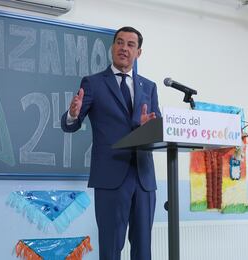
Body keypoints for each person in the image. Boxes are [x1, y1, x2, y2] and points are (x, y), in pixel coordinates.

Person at [61, 26, 161, 260]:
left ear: (139, 52)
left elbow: (155, 128)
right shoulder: (93, 83)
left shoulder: (149, 86)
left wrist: (148, 126)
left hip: (144, 178)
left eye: (130, 44)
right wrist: (72, 113)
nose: (124, 48)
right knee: (110, 247)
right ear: (112, 47)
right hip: (110, 177)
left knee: (143, 249)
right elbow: (70, 125)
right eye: (119, 42)